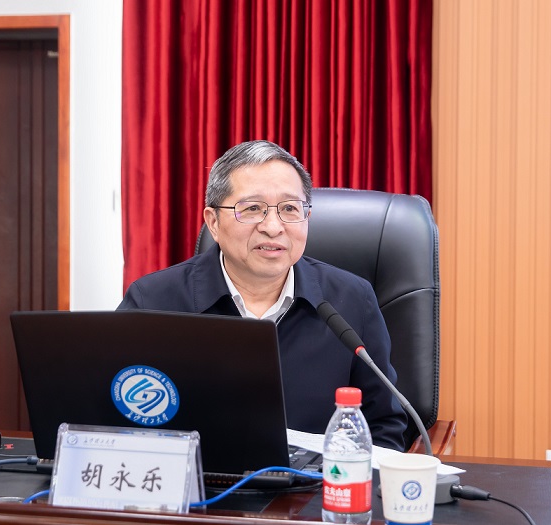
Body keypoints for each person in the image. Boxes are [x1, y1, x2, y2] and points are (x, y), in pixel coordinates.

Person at [118, 140, 408, 451]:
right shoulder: (152, 301)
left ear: (307, 218)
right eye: (252, 208)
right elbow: (112, 417)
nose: (273, 227)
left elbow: (384, 429)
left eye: (289, 209)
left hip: (318, 481)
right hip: (196, 480)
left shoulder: (352, 300)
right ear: (213, 222)